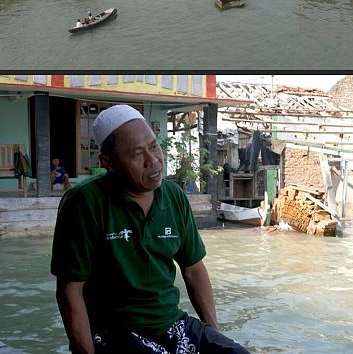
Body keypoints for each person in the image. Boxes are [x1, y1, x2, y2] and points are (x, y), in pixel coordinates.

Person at [51, 105, 249, 354]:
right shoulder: (84, 203)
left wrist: (213, 334)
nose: (153, 160)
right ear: (108, 163)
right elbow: (70, 291)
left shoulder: (173, 196)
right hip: (115, 331)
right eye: (137, 154)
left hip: (172, 324)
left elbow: (194, 269)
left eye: (154, 146)